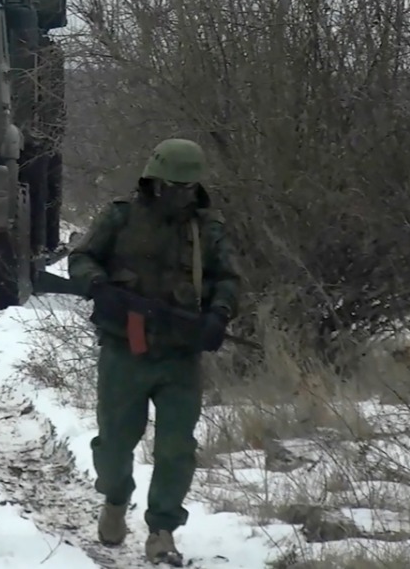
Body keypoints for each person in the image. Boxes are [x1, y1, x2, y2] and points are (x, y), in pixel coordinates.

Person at [67, 138, 241, 566]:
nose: (179, 196)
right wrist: (98, 287)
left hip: (180, 355)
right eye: (171, 187)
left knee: (176, 448)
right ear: (153, 182)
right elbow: (82, 256)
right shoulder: (120, 217)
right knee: (114, 444)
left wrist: (219, 314)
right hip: (124, 348)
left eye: (187, 188)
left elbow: (229, 278)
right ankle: (114, 498)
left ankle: (161, 529)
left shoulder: (206, 229)